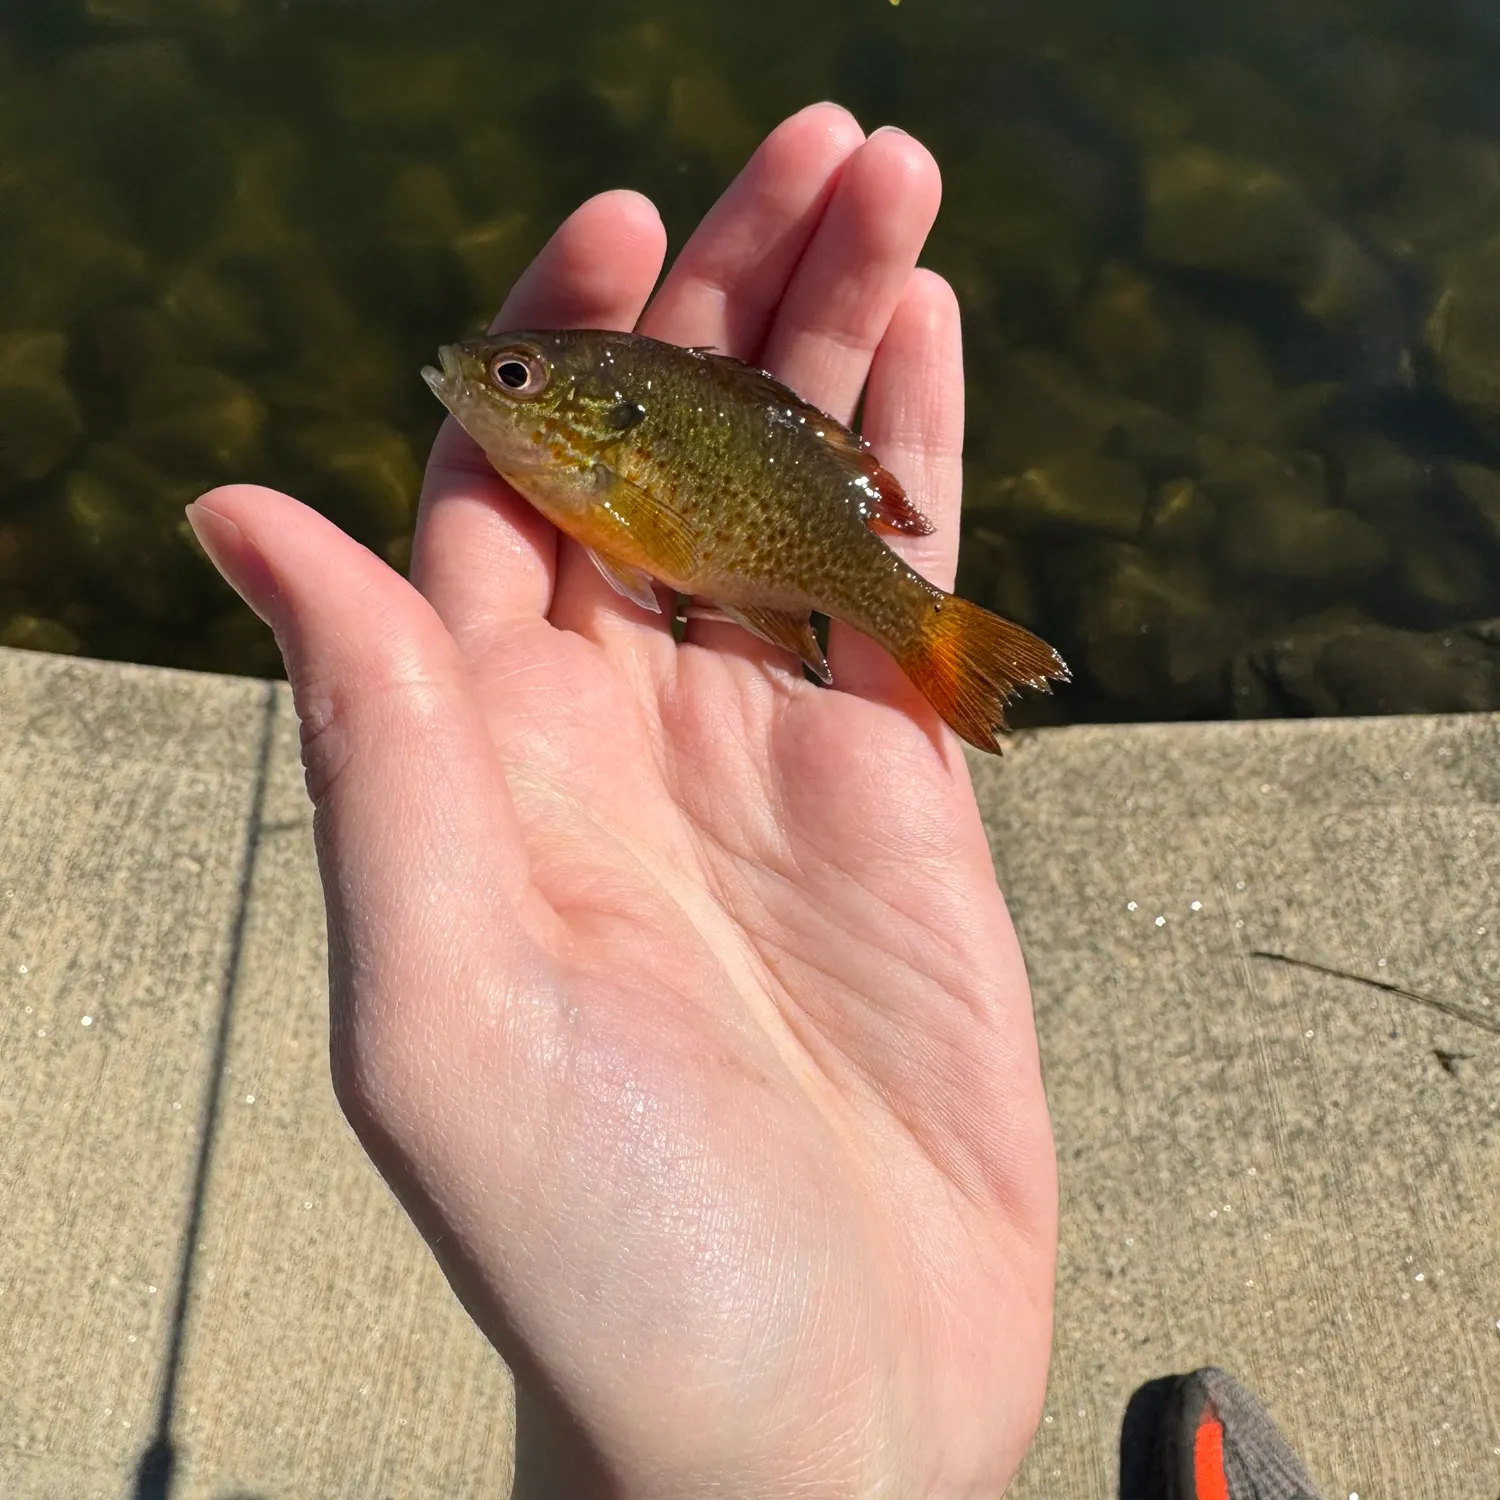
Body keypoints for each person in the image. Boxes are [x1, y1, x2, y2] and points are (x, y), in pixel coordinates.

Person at [187, 103, 1058, 1499]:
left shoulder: (617, 456)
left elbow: (654, 526)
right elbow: (650, 533)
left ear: (589, 421)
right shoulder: (585, 452)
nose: (480, 383)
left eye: (514, 377)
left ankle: (944, 642)